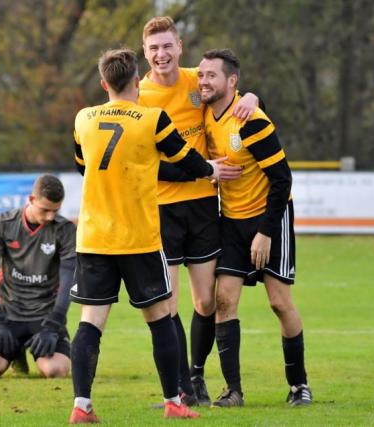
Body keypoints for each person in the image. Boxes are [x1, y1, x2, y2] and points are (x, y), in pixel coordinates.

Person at [67, 48, 235, 423]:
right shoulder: (151, 118)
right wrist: (210, 169)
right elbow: (184, 156)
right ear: (136, 81)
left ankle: (81, 405)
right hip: (138, 237)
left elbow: (82, 166)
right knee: (160, 318)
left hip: (94, 237)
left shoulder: (83, 118)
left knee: (90, 322)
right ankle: (173, 401)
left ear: (104, 83)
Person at [139, 16, 250, 406]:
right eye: (154, 48)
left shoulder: (196, 80)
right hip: (162, 209)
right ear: (145, 52)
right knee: (167, 302)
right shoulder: (139, 96)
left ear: (179, 47)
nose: (161, 54)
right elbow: (148, 164)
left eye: (167, 46)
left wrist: (252, 98)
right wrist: (202, 169)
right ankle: (181, 389)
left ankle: (197, 379)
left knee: (206, 301)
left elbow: (232, 94)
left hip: (203, 207)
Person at [198, 49, 312, 407]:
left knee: (279, 302)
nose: (203, 82)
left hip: (270, 219)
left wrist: (265, 232)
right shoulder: (204, 110)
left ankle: (299, 385)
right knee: (224, 301)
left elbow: (282, 179)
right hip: (231, 221)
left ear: (232, 81)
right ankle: (233, 391)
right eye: (201, 75)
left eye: (211, 76)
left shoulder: (252, 121)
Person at [0, 174, 75, 378]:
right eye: (45, 210)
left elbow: (68, 280)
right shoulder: (3, 224)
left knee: (55, 370)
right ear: (31, 199)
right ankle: (16, 353)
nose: (50, 217)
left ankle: (37, 346)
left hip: (46, 316)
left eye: (55, 211)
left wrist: (54, 324)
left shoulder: (65, 230)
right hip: (9, 312)